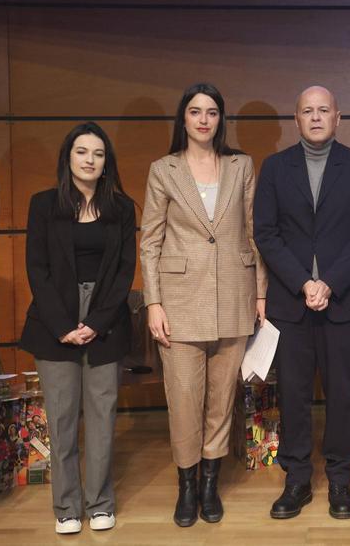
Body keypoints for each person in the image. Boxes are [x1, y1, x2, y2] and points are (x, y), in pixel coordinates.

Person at [140, 83, 268, 528]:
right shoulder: (164, 169)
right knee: (184, 399)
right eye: (195, 111)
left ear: (220, 119)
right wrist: (153, 302)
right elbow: (150, 241)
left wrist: (260, 293)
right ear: (183, 118)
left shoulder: (241, 165)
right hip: (179, 302)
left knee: (221, 399)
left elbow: (253, 231)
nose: (203, 120)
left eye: (211, 112)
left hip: (234, 295)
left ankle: (211, 484)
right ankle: (187, 486)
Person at [253, 85, 350, 520]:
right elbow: (265, 232)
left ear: (338, 117)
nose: (315, 117)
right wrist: (303, 283)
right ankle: (297, 479)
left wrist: (328, 283)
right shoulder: (275, 168)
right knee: (293, 394)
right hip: (290, 302)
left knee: (342, 393)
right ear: (296, 120)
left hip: (341, 301)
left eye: (323, 110)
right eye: (307, 110)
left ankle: (341, 478)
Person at [19, 122, 137, 534]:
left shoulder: (122, 208)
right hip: (56, 320)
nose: (90, 160)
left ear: (107, 163)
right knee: (62, 418)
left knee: (103, 417)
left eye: (98, 154)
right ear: (67, 157)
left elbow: (124, 272)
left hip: (106, 320)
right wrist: (63, 325)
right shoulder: (43, 204)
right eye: (82, 152)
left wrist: (96, 323)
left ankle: (101, 503)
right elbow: (37, 269)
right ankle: (67, 508)